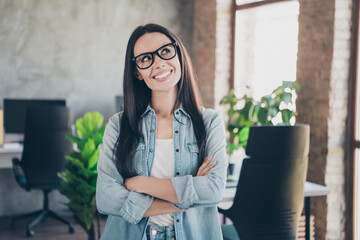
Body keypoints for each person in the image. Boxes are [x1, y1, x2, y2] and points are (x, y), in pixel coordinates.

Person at [96, 23, 228, 240]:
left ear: (179, 55)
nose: (158, 63)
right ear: (137, 72)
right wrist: (188, 197)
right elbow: (105, 198)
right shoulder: (119, 125)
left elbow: (213, 191)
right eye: (145, 59)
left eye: (165, 51)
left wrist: (139, 184)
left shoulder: (209, 122)